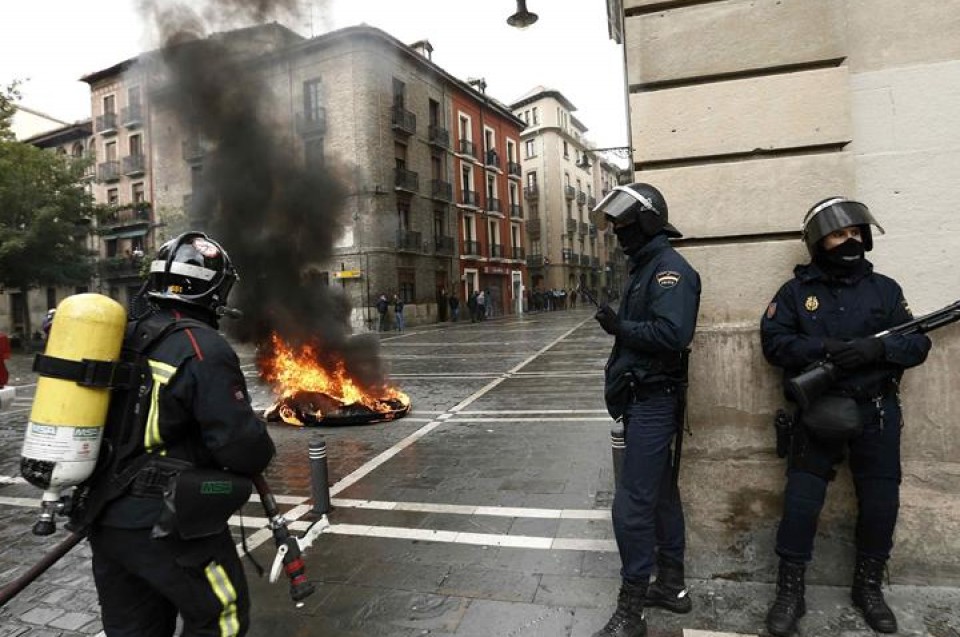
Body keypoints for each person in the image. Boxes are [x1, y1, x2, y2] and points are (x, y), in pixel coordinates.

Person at [84, 231, 276, 637]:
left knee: (135, 629)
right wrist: (256, 431)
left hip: (105, 519)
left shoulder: (125, 336)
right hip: (169, 525)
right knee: (221, 617)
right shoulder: (202, 346)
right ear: (215, 291)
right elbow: (242, 449)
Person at [760, 198, 931, 636]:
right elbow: (775, 343)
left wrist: (879, 348)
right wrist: (826, 350)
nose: (850, 240)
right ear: (819, 242)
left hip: (876, 410)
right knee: (801, 503)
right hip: (819, 410)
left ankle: (869, 589)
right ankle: (790, 592)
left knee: (880, 503)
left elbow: (917, 346)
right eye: (839, 234)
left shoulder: (886, 290)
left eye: (856, 233)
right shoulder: (796, 293)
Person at [591, 183, 701, 637]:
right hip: (642, 399)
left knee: (631, 506)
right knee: (659, 497)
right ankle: (671, 587)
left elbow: (672, 335)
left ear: (649, 221)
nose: (617, 231)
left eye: (623, 223)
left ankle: (631, 609)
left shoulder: (670, 270)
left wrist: (621, 326)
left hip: (654, 400)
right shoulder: (646, 267)